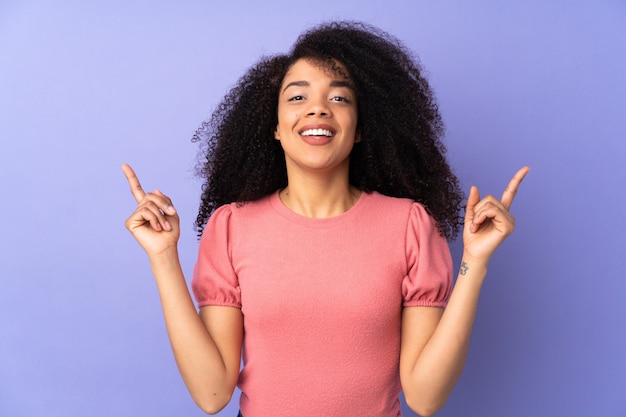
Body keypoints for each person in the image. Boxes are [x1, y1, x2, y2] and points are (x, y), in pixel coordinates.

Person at [123, 21, 529, 417]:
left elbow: (424, 399)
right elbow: (211, 394)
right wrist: (162, 257)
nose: (318, 107)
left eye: (339, 98)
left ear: (360, 130)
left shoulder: (410, 225)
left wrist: (474, 264)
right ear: (276, 128)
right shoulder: (231, 227)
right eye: (297, 97)